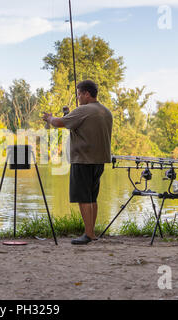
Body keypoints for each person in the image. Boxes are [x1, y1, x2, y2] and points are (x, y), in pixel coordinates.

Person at [43, 80, 113, 245]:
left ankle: (88, 234)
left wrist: (50, 117)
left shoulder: (84, 110)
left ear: (87, 94)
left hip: (83, 159)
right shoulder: (105, 111)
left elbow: (59, 123)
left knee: (83, 198)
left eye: (79, 94)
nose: (78, 97)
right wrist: (69, 116)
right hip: (99, 160)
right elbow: (81, 126)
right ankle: (92, 233)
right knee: (92, 197)